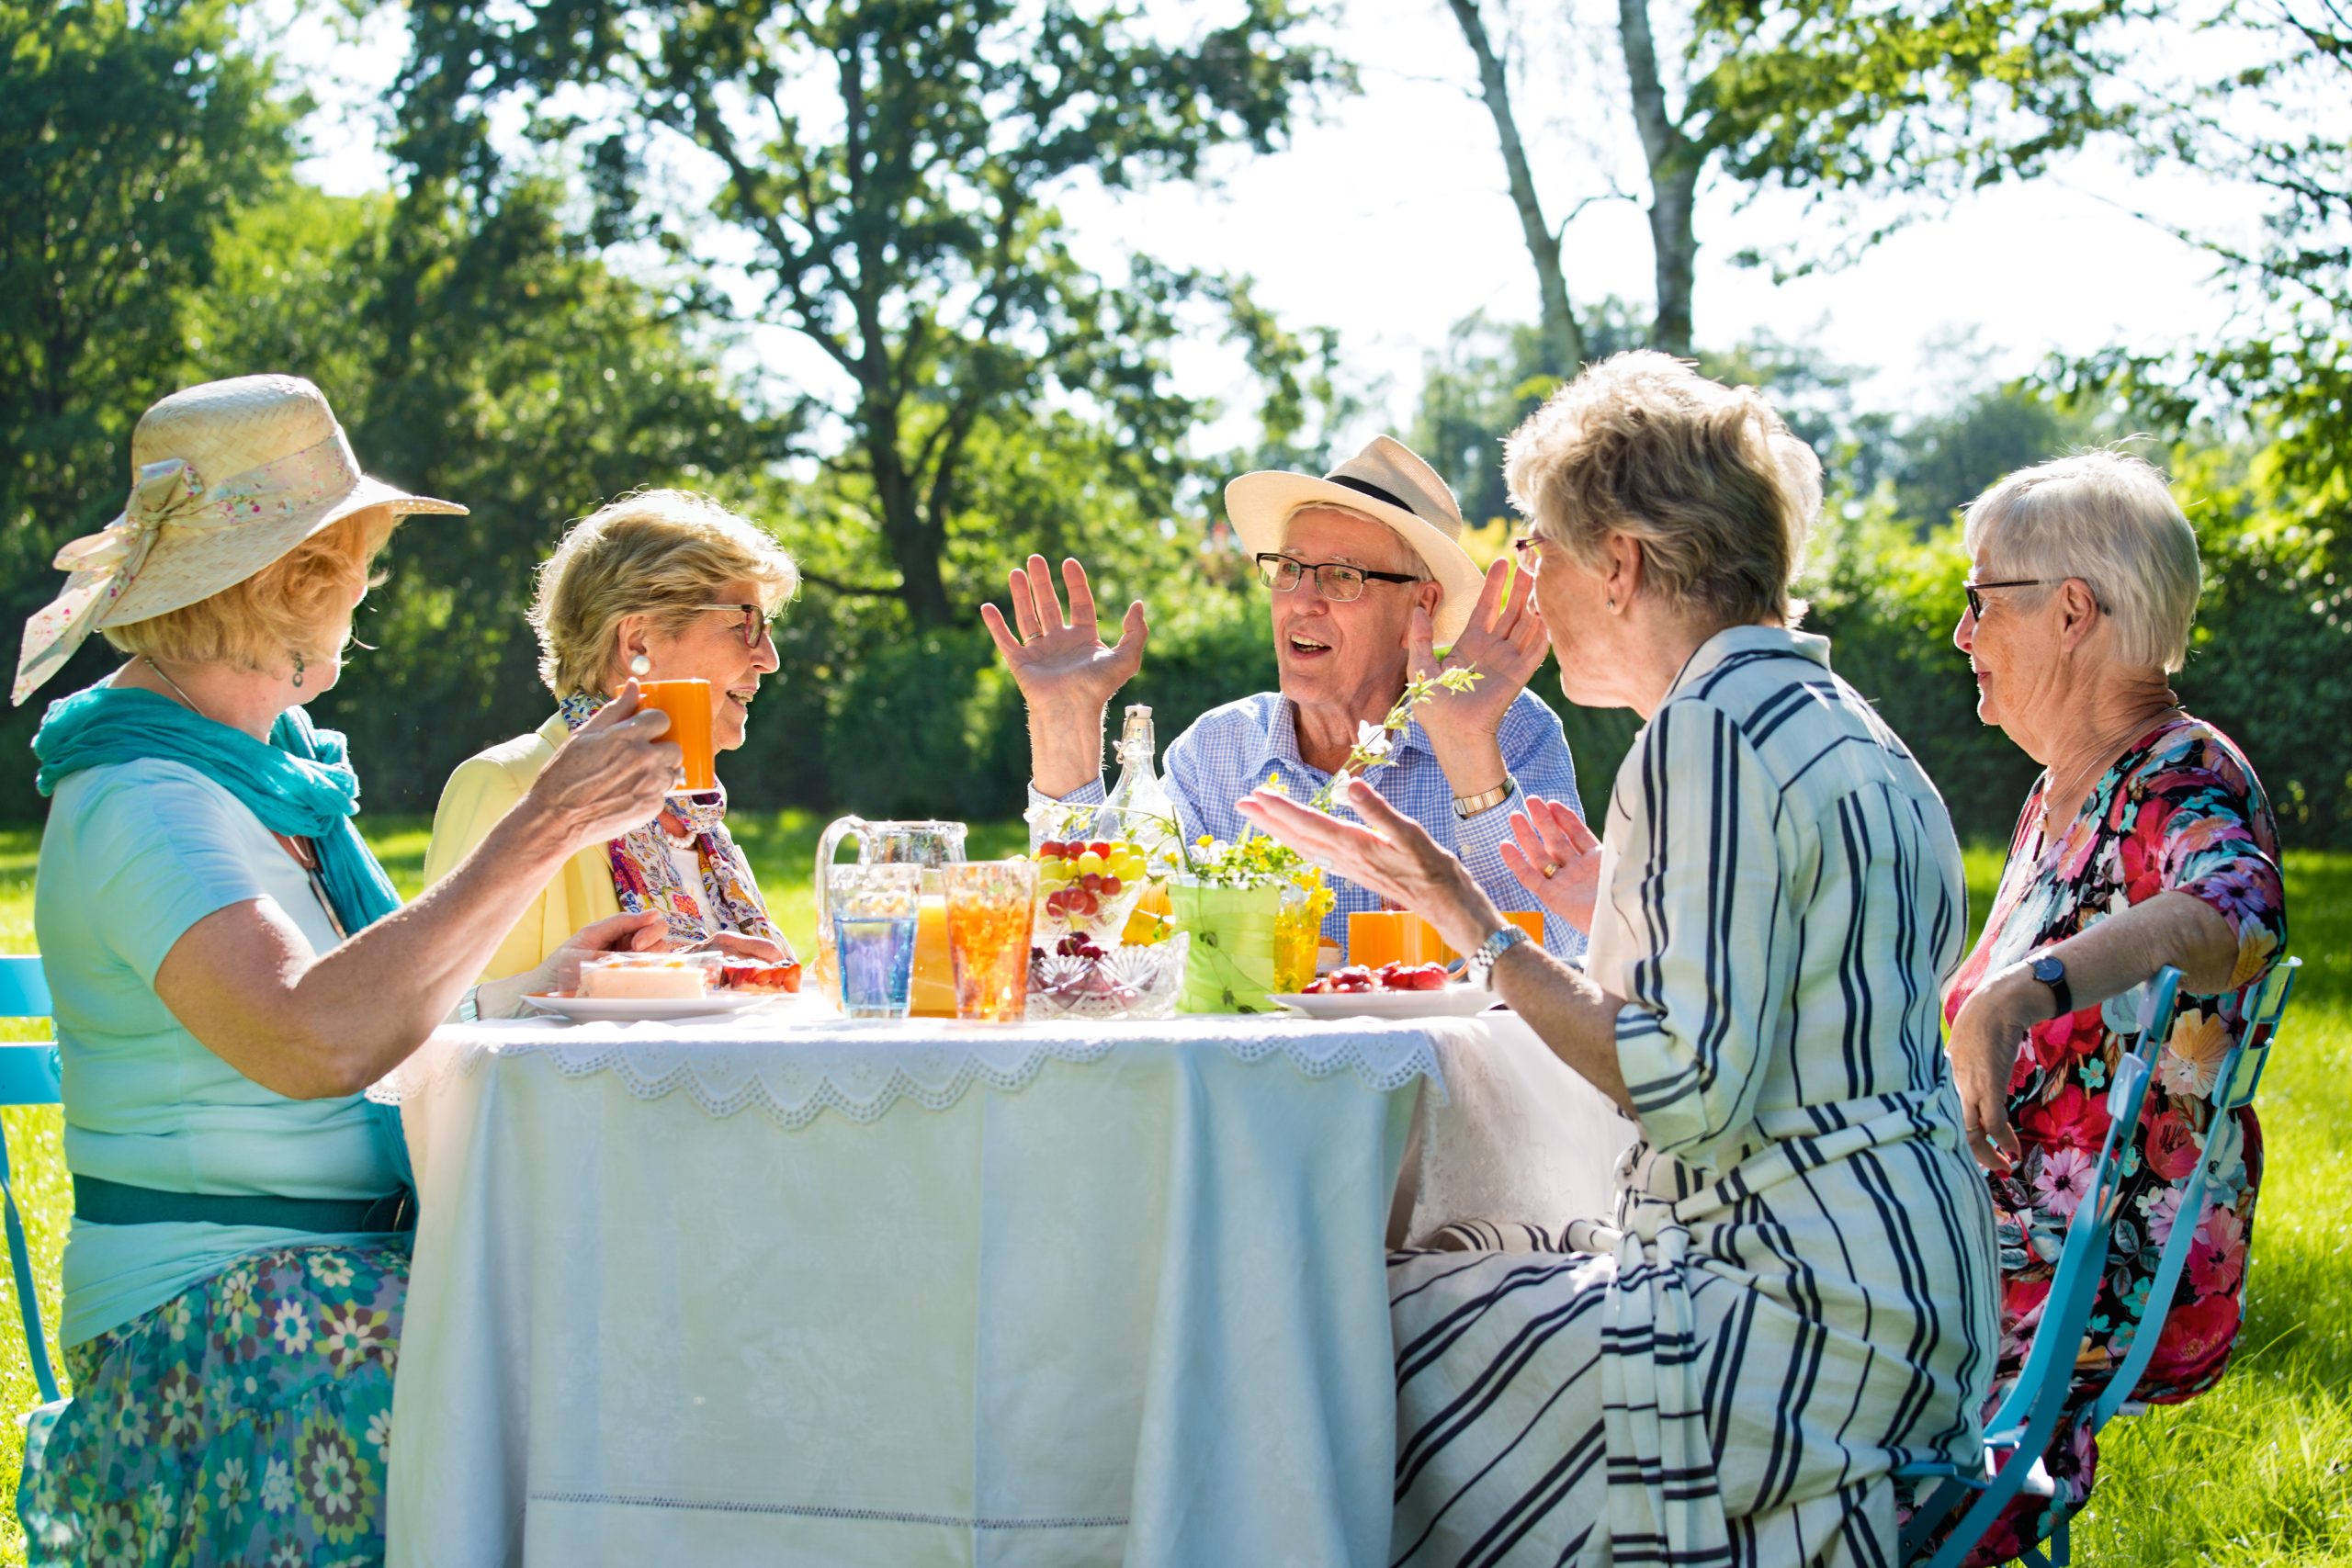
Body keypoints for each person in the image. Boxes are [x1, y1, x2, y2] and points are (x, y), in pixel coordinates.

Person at [1238, 353, 1997, 1564]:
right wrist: (1590, 896)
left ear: (1622, 562)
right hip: (1906, 1293)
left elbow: (1685, 1091)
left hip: (1797, 1329)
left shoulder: (1708, 732)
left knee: (1344, 1324)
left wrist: (1464, 914)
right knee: (1451, 1263)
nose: (1526, 583)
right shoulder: (1829, 719)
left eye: (1538, 547)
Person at [12, 375, 682, 1563]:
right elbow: (314, 1039)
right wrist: (540, 828)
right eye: (359, 559)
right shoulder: (143, 800)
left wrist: (535, 986)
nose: (369, 587)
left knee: (644, 1351)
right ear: (295, 581)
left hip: (331, 1267)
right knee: (560, 1407)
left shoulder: (268, 774)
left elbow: (374, 1011)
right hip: (218, 1310)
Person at [1937, 450, 2286, 1561]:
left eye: (1979, 599)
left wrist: (2022, 989)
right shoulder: (2060, 794)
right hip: (2017, 1236)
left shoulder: (2181, 772)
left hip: (2090, 1258)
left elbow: (2237, 912)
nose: (1961, 634)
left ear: (2072, 610)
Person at [981, 434, 1586, 953]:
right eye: (1289, 569)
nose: (1302, 599)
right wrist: (1064, 723)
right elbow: (1096, 936)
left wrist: (1466, 749)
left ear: (1420, 606)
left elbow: (1560, 956)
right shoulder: (1216, 752)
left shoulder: (1511, 731)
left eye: (1343, 576)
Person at [424, 490, 799, 980]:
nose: (769, 658)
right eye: (745, 626)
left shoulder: (697, 816)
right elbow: (450, 1027)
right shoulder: (508, 787)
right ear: (638, 641)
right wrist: (639, 983)